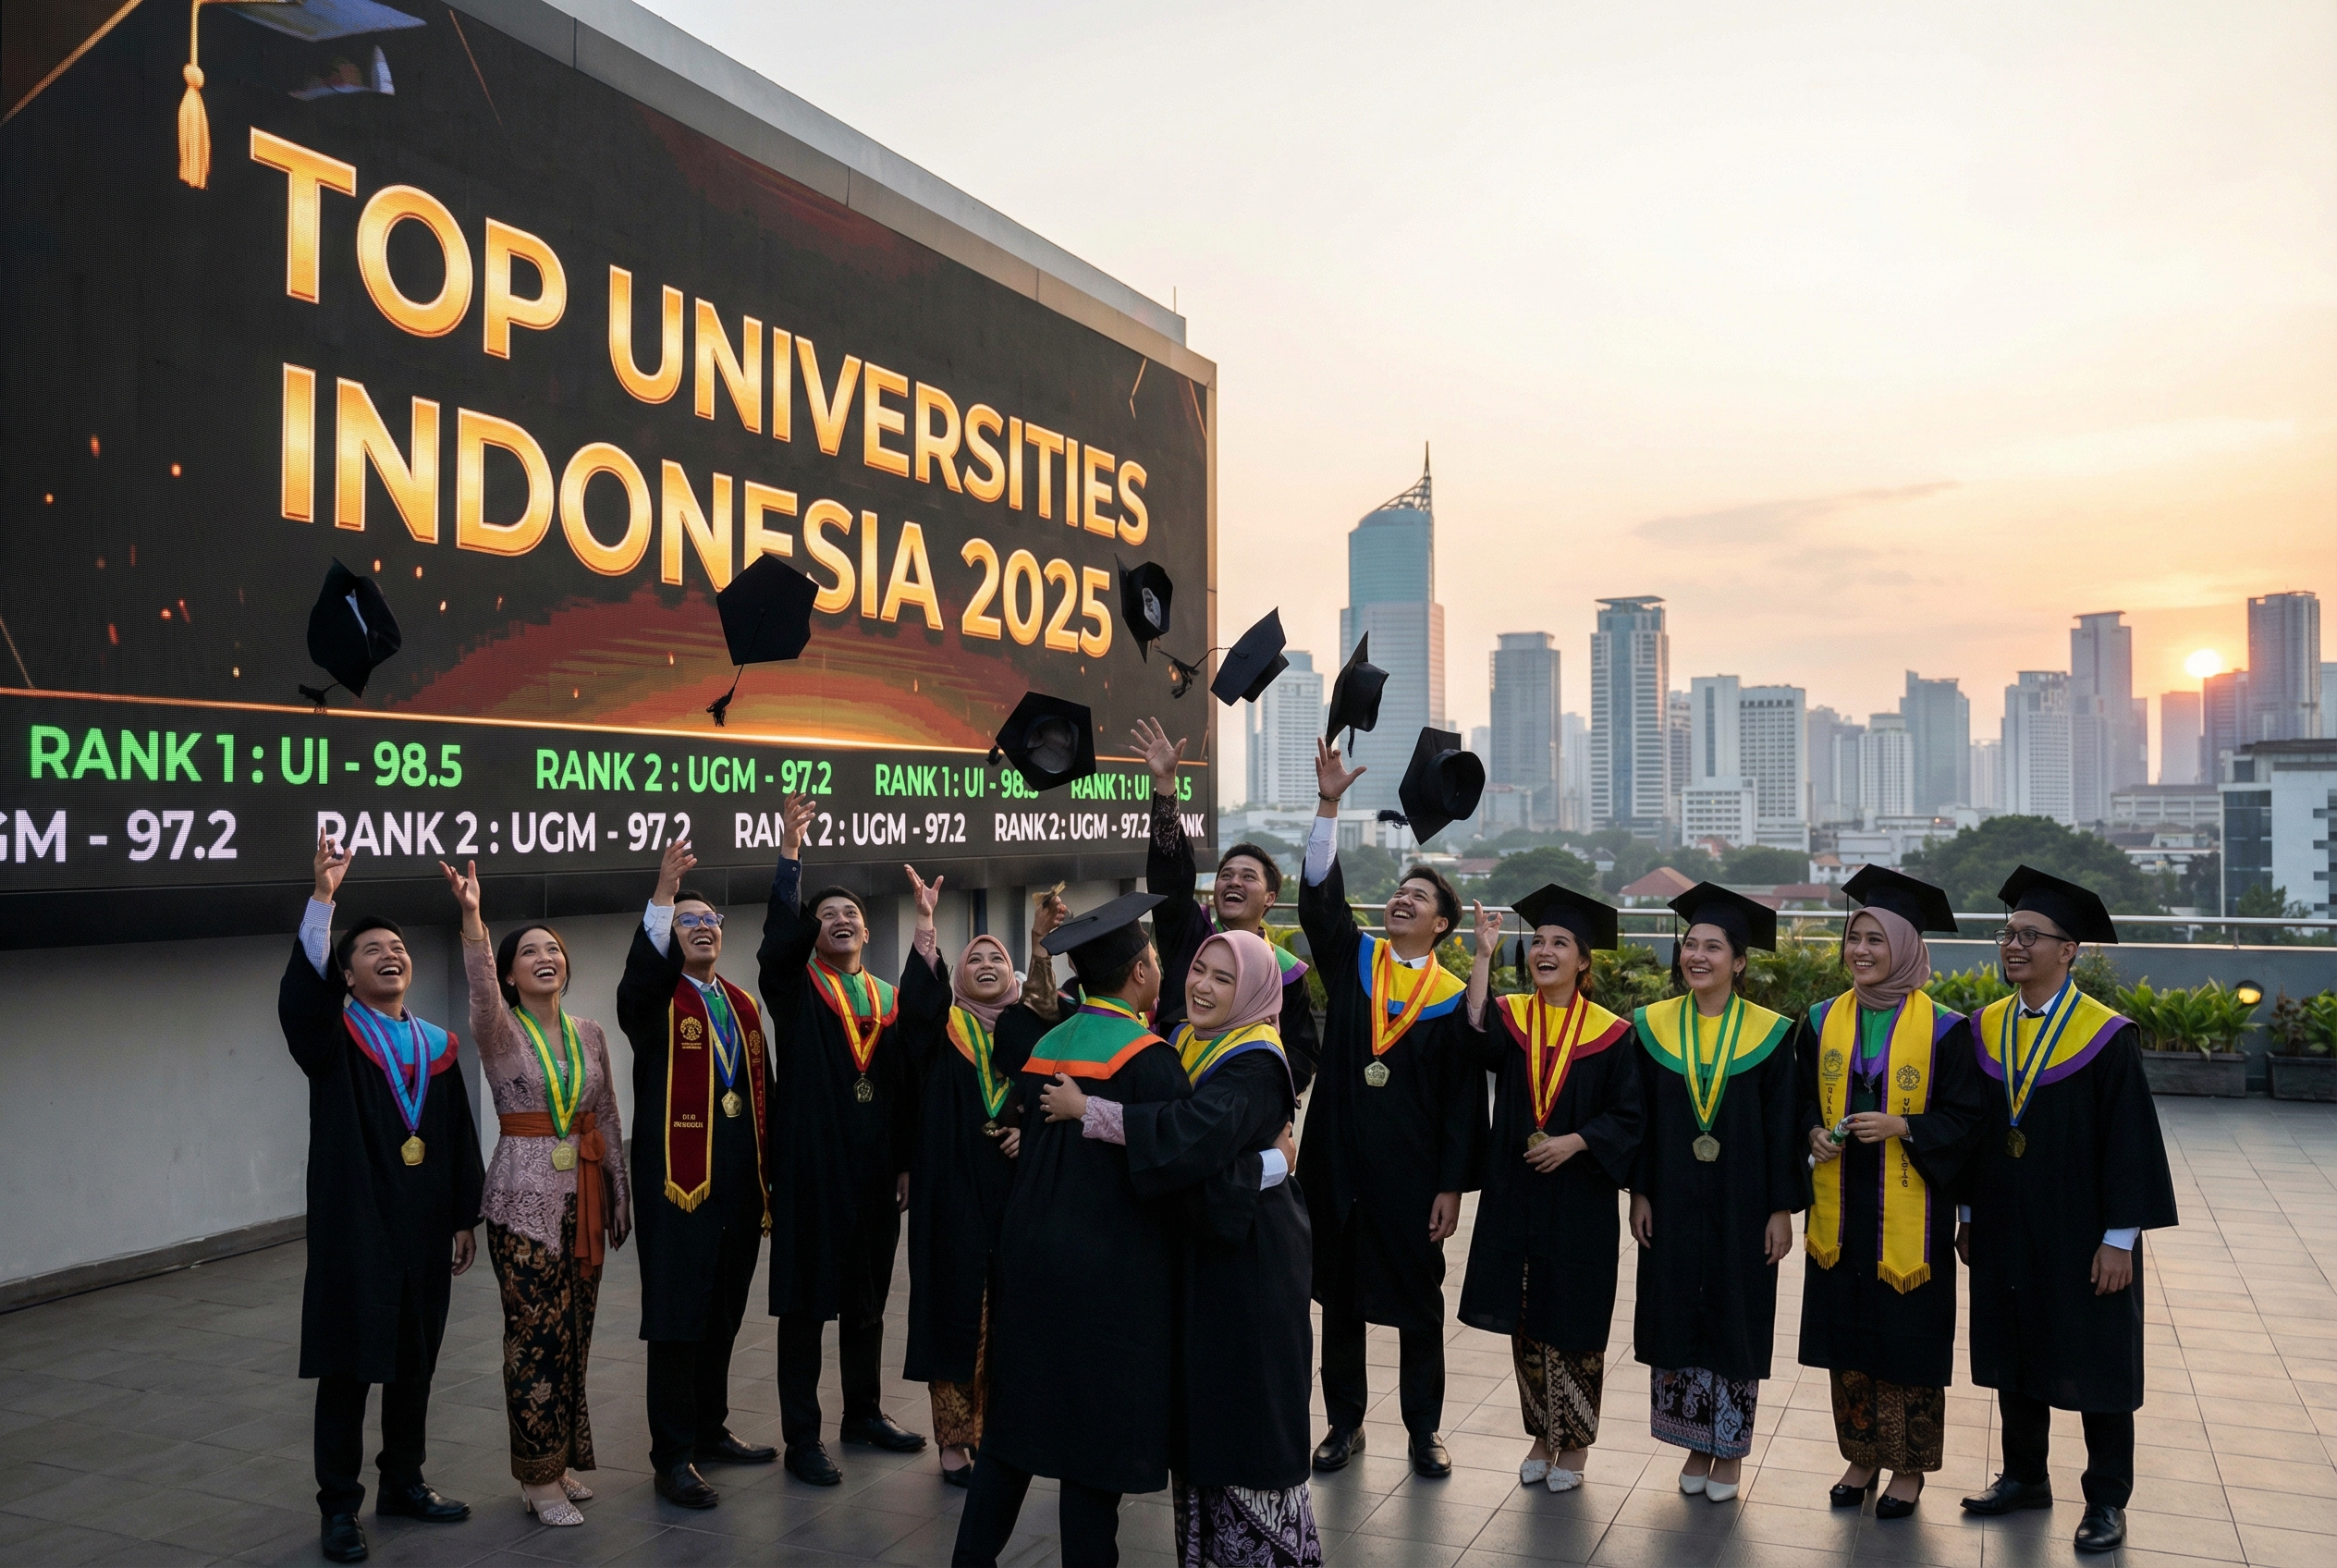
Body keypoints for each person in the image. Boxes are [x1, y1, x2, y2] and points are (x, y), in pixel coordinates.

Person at [1040, 929, 1318, 1568]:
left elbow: (1190, 1139)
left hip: (1252, 1265)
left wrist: (1094, 1112)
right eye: (1199, 969)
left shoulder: (1255, 1062)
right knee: (1208, 1429)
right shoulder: (1191, 1042)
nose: (1203, 986)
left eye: (1224, 978)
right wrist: (1271, 1164)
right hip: (1213, 1255)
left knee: (1248, 1424)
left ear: (1252, 989)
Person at [951, 892, 1193, 1568]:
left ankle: (970, 1560)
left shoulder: (1043, 1046)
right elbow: (1170, 1162)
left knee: (1014, 1429)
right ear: (1143, 971)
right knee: (1092, 1446)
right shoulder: (1150, 1061)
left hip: (1029, 1258)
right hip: (1109, 1270)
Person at [1956, 866, 2177, 1554]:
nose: (2013, 945)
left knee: (2098, 1358)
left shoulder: (2107, 1035)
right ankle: (2025, 1476)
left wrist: (2120, 1239)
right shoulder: (1985, 1028)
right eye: (2008, 933)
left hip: (2084, 1228)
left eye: (2030, 935)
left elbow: (2131, 1144)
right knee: (2015, 1345)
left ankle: (2106, 1500)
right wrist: (1966, 1211)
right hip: (2003, 1218)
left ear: (2069, 950)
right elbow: (1971, 1128)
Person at [280, 832, 483, 1564]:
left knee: (413, 1363)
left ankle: (404, 1480)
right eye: (370, 950)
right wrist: (324, 899)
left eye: (397, 947)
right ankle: (340, 1507)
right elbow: (303, 998)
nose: (389, 954)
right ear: (345, 972)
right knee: (347, 1366)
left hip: (425, 1226)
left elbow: (458, 1135)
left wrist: (465, 1216)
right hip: (357, 1225)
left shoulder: (436, 1045)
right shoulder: (331, 1038)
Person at [1300, 737, 1480, 1478]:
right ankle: (1344, 1425)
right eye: (1400, 892)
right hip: (1339, 1167)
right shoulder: (1354, 961)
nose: (1402, 899)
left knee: (1417, 1312)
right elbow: (1318, 896)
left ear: (1443, 925)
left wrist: (1449, 1186)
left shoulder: (1451, 998)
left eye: (1420, 897)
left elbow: (1462, 1104)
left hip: (1410, 1183)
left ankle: (1423, 1430)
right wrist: (1329, 804)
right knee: (1339, 1306)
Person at [439, 860, 631, 1528]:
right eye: (529, 952)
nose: (545, 958)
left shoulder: (589, 1034)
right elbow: (480, 989)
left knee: (574, 1336)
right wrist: (472, 918)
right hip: (522, 1202)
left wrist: (618, 1189)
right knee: (533, 1340)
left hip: (582, 1194)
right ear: (512, 972)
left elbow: (606, 1114)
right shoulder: (500, 1030)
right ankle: (536, 1480)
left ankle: (559, 1461)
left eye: (554, 949)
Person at [1796, 866, 1985, 1520]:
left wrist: (1907, 1126)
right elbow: (1794, 1108)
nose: (1863, 952)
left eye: (1877, 940)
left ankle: (1908, 1467)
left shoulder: (1948, 1030)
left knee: (1907, 1345)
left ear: (1905, 947)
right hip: (1841, 1215)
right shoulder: (1819, 1022)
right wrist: (1812, 1135)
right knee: (1848, 1343)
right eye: (1855, 939)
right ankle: (1860, 1455)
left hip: (1914, 1217)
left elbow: (1968, 1122)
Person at [759, 801, 927, 1485]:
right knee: (806, 1307)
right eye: (826, 916)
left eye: (850, 913)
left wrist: (909, 1161)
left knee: (866, 1298)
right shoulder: (797, 992)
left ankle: (863, 1413)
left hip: (874, 1175)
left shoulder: (887, 997)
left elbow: (910, 1086)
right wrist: (792, 855)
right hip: (811, 1172)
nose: (842, 920)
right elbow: (776, 946)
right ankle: (803, 1436)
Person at [1457, 886, 1642, 1494]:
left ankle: (1577, 1445)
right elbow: (1473, 1038)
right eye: (1538, 941)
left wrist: (1578, 1141)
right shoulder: (1513, 1018)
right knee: (1527, 1317)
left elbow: (1629, 1115)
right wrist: (1482, 955)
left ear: (1583, 961)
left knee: (1576, 1319)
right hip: (1518, 1189)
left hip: (1580, 1196)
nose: (1545, 951)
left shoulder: (1613, 1034)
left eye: (1560, 943)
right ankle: (1541, 1434)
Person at [1628, 883, 1803, 1503]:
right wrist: (1639, 1192)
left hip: (1743, 1201)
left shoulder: (1774, 1034)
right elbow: (1638, 1119)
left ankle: (1727, 1450)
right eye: (1690, 945)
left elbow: (1785, 1127)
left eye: (1713, 947)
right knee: (1677, 1310)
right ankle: (1692, 1441)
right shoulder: (1649, 1028)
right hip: (1672, 1197)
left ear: (1740, 961)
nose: (1697, 956)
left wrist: (1781, 1207)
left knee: (1736, 1315)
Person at [618, 834, 777, 1512]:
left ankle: (710, 1431)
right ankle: (672, 1456)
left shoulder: (741, 1006)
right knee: (678, 1322)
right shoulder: (655, 1005)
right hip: (678, 1190)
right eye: (689, 921)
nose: (703, 927)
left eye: (710, 920)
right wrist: (662, 895)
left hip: (740, 1193)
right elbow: (638, 982)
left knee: (721, 1317)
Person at [898, 874, 1069, 1485]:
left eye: (998, 956)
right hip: (952, 1194)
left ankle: (1003, 1429)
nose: (988, 963)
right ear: (957, 976)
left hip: (1020, 1195)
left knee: (1016, 1312)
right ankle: (953, 1440)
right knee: (955, 1309)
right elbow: (915, 1003)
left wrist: (1037, 1136)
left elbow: (1058, 1083)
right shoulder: (939, 1035)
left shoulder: (1029, 1034)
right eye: (975, 958)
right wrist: (925, 924)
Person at [1134, 716, 1319, 1093]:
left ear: (1270, 899)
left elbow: (1301, 1057)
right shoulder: (1191, 933)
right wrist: (1166, 788)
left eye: (1248, 877)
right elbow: (1172, 878)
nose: (1234, 881)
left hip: (1240, 1101)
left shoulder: (1287, 974)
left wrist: (1262, 1096)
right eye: (1225, 875)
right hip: (1171, 1087)